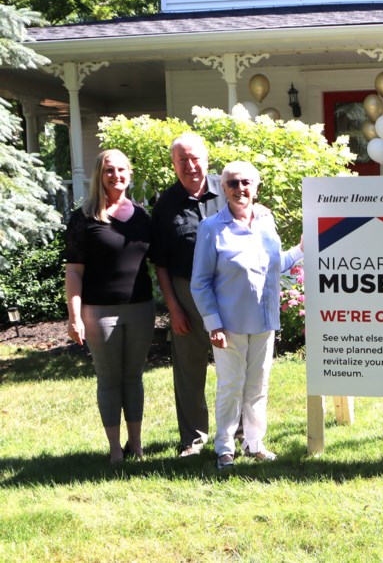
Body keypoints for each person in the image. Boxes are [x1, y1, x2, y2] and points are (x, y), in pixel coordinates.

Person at [191, 161, 303, 471]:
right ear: (224, 189)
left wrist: (301, 250)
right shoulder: (211, 227)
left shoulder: (266, 222)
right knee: (231, 386)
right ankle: (224, 447)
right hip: (229, 325)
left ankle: (254, 443)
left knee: (258, 385)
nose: (241, 188)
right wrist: (213, 323)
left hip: (264, 321)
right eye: (233, 183)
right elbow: (199, 282)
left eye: (246, 183)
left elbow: (274, 264)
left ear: (255, 187)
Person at [65, 150, 154, 464]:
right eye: (108, 170)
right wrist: (74, 316)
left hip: (141, 308)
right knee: (109, 378)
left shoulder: (143, 216)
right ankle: (115, 450)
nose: (116, 175)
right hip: (98, 311)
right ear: (99, 175)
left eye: (121, 169)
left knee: (134, 377)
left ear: (130, 172)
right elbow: (74, 271)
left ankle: (137, 446)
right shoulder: (84, 218)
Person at [150, 132, 226, 457]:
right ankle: (193, 439)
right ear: (174, 164)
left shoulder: (227, 188)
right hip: (186, 293)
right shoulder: (166, 205)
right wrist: (173, 308)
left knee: (234, 366)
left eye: (195, 158)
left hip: (228, 290)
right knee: (189, 370)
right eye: (183, 160)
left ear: (207, 159)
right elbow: (161, 264)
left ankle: (235, 433)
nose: (191, 166)